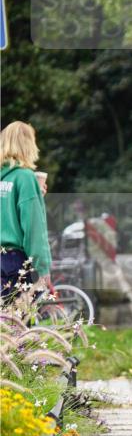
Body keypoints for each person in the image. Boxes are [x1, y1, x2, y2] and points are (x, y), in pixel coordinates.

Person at [0, 122, 53, 301]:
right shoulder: (25, 177)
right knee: (18, 324)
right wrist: (43, 268)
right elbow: (33, 229)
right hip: (14, 263)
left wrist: (37, 197)